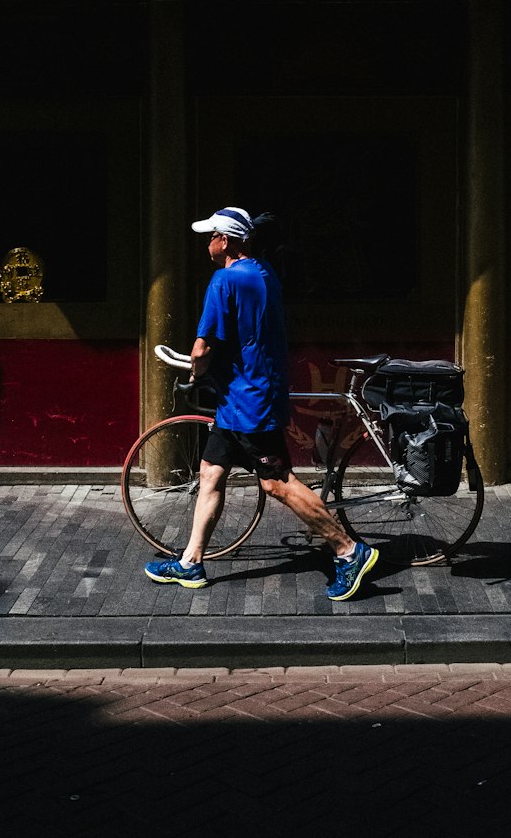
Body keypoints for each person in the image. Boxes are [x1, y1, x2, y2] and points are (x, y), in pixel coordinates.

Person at [144, 206, 379, 602]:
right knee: (211, 472)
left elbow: (202, 348)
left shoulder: (224, 281)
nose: (207, 242)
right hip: (245, 397)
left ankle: (348, 550)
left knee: (277, 483)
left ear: (227, 240)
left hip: (248, 402)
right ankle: (190, 562)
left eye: (212, 235)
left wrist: (194, 373)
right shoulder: (264, 273)